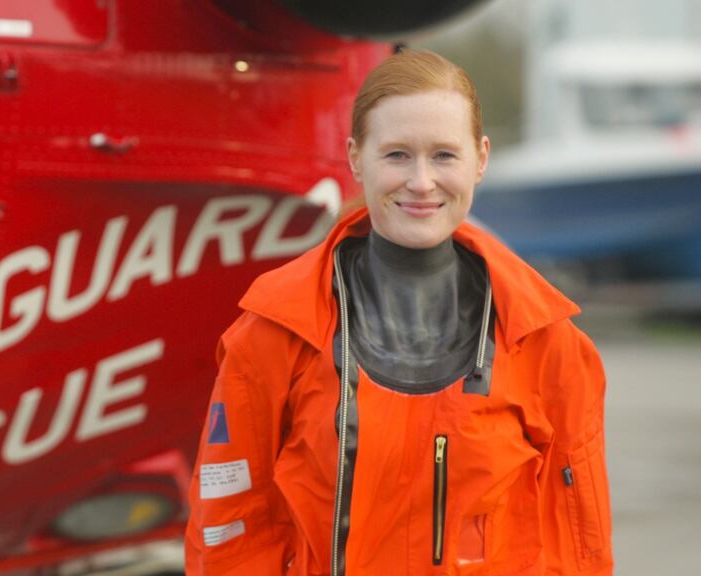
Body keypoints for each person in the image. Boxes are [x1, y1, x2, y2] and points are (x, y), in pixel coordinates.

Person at [184, 49, 613, 575]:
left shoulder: (550, 344)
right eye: (397, 155)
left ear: (480, 158)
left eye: (443, 155)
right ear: (355, 156)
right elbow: (228, 526)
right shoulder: (274, 332)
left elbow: (579, 544)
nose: (422, 181)